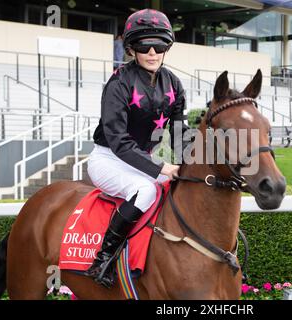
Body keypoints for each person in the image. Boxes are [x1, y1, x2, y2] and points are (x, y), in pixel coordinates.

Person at [86, 8, 190, 288]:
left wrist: (190, 164)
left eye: (159, 45)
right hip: (108, 159)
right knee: (146, 190)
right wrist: (160, 167)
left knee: (179, 188)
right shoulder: (118, 83)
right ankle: (103, 260)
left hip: (142, 161)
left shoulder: (175, 84)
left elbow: (179, 132)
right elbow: (118, 142)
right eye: (145, 46)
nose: (152, 52)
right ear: (132, 48)